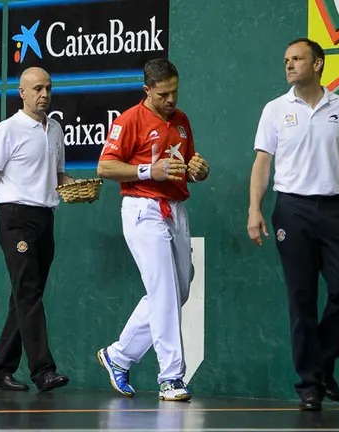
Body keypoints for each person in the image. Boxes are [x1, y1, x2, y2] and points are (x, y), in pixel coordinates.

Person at [247, 38, 339, 411]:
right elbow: (262, 164)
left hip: (336, 211)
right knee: (301, 300)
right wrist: (254, 209)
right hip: (292, 211)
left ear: (318, 64)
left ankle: (321, 365)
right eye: (286, 60)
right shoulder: (274, 109)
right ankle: (309, 386)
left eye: (297, 59)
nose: (289, 65)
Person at [94, 58, 210, 401]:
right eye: (163, 94)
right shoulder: (129, 120)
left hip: (176, 209)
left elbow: (183, 167)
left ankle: (119, 356)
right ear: (147, 90)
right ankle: (172, 377)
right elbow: (105, 166)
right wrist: (148, 171)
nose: (171, 100)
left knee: (178, 293)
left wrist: (197, 171)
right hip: (143, 209)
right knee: (163, 293)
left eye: (175, 91)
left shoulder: (182, 121)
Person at [0, 67, 73, 393]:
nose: (45, 94)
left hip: (45, 219)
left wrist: (75, 186)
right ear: (22, 93)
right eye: (37, 88)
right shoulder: (7, 130)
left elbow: (59, 176)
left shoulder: (56, 130)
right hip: (15, 220)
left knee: (25, 296)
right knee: (28, 294)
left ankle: (0, 369)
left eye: (48, 88)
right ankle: (43, 372)